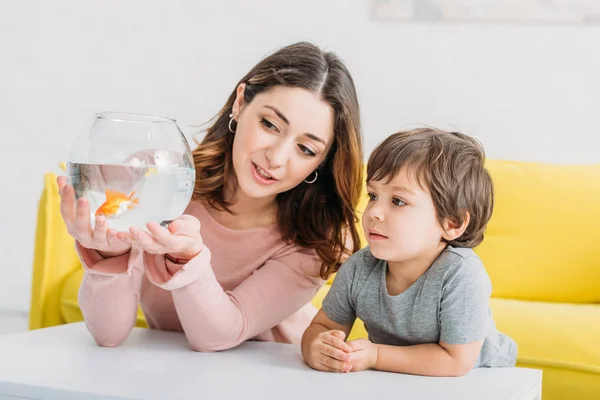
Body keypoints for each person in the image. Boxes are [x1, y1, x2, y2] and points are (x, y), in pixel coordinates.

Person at [57, 42, 364, 351]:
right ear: (241, 103)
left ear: (321, 162)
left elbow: (219, 334)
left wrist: (190, 261)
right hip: (175, 375)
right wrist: (110, 257)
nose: (277, 157)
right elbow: (108, 334)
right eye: (270, 124)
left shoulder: (313, 241)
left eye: (306, 149)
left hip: (275, 376)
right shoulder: (164, 184)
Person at [301, 128, 518, 376]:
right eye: (373, 195)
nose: (373, 212)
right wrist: (317, 347)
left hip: (485, 379)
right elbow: (321, 326)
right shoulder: (360, 268)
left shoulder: (461, 273)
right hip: (404, 379)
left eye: (398, 201)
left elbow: (455, 361)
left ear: (453, 223)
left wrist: (377, 355)